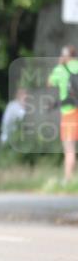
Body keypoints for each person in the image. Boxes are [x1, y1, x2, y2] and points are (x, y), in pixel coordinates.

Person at [48, 45, 78, 182]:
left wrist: (60, 64)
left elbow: (49, 83)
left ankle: (67, 180)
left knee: (69, 149)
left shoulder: (60, 69)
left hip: (69, 113)